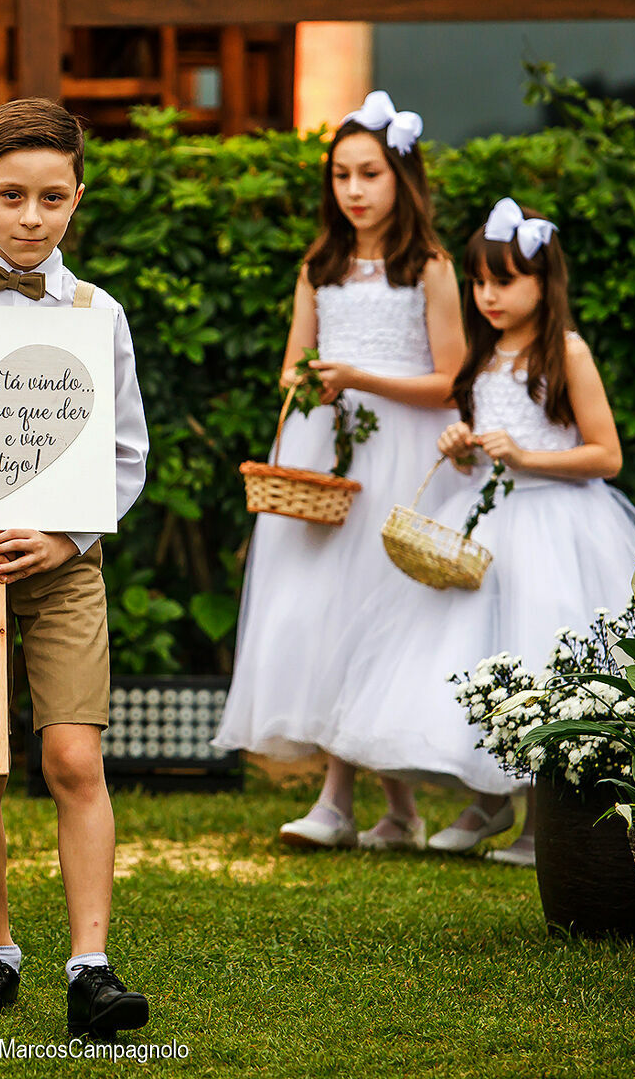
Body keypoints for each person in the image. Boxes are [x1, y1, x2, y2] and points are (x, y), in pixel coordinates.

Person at [319, 198, 635, 864]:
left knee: (541, 654)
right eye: (479, 282)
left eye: (503, 282)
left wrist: (526, 456)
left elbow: (605, 454)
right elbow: (485, 447)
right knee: (475, 658)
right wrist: (461, 448)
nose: (486, 296)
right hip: (488, 519)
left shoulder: (564, 352)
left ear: (544, 282)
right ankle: (485, 801)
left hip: (558, 522)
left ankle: (544, 822)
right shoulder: (480, 358)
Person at [0, 98, 151, 1038]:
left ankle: (89, 968)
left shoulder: (98, 314)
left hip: (63, 570)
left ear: (76, 201)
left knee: (71, 755)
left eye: (52, 198)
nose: (31, 217)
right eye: (11, 195)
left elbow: (124, 456)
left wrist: (64, 538)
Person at [211, 91, 464, 852]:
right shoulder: (318, 265)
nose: (353, 191)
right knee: (318, 612)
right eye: (341, 176)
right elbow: (293, 360)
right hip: (326, 452)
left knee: (379, 615)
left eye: (369, 175)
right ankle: (374, 805)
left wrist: (360, 378)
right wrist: (312, 378)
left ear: (402, 181)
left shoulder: (430, 268)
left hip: (401, 451)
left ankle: (358, 801)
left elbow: (451, 379)